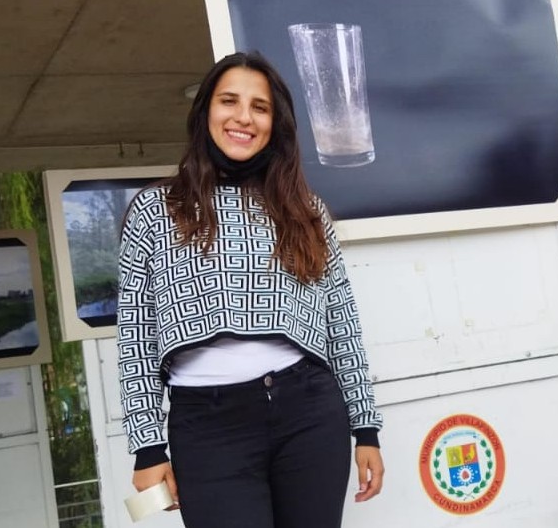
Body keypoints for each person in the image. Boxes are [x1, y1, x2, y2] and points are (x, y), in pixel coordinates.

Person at [117, 51, 385, 528]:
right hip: (207, 426)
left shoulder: (305, 209)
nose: (243, 117)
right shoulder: (156, 210)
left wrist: (366, 428)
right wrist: (147, 447)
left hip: (308, 412)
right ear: (205, 114)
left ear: (274, 123)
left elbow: (341, 320)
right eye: (229, 101)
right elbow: (135, 338)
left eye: (260, 107)